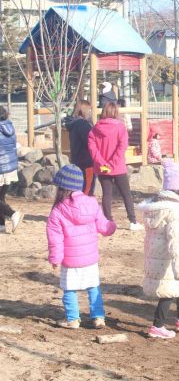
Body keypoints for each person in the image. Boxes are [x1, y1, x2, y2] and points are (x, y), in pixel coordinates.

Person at [138, 160, 179, 339]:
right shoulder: (174, 211)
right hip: (169, 258)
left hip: (157, 255)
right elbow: (175, 240)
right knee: (168, 291)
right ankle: (157, 326)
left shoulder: (158, 207)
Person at [46, 165, 116, 329]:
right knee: (93, 287)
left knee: (69, 289)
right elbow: (104, 226)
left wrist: (55, 258)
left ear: (61, 188)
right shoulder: (91, 203)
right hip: (90, 258)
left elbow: (55, 238)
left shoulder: (57, 211)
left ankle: (73, 319)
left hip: (70, 261)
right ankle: (98, 317)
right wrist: (112, 226)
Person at [88, 102, 143, 231]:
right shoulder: (120, 127)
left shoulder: (95, 129)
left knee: (107, 194)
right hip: (118, 167)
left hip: (102, 168)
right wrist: (112, 164)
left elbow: (92, 148)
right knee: (126, 194)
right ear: (115, 113)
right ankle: (132, 221)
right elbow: (122, 147)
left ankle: (108, 221)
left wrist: (102, 163)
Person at [0, 106, 23, 233]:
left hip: (1, 168)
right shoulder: (9, 127)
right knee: (1, 198)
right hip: (10, 168)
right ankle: (1, 226)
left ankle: (13, 214)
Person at [68, 100, 95, 195]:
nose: (90, 112)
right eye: (89, 110)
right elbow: (90, 142)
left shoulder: (74, 124)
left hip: (76, 160)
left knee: (78, 189)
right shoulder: (83, 125)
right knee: (87, 189)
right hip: (86, 162)